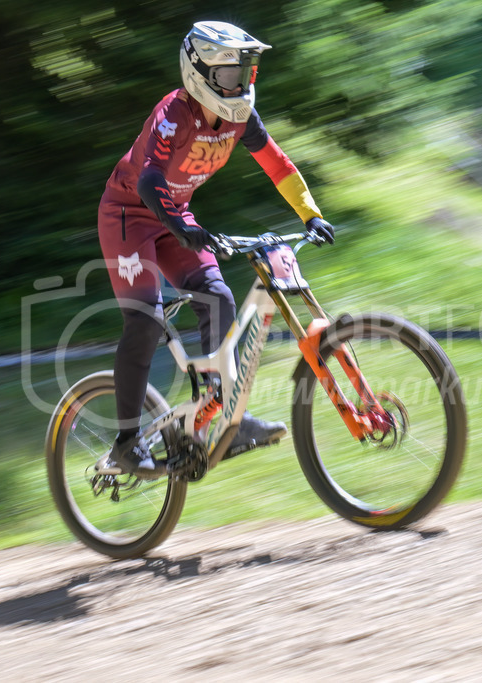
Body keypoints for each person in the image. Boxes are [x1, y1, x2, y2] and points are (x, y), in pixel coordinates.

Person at [97, 20, 335, 476]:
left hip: (174, 215)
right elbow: (148, 181)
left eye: (246, 74)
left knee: (218, 295)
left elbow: (277, 164)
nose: (240, 84)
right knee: (145, 320)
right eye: (230, 75)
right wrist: (181, 226)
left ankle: (224, 414)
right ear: (199, 73)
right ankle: (127, 442)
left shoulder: (238, 116)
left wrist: (311, 213)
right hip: (129, 215)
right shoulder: (175, 113)